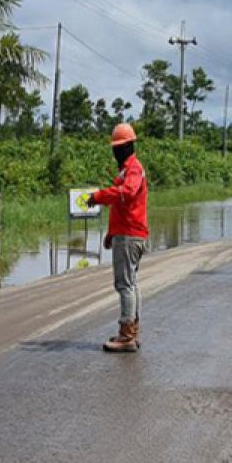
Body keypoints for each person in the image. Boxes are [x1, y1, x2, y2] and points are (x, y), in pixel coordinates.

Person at [84, 123, 149, 353]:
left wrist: (99, 196)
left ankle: (127, 335)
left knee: (125, 285)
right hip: (128, 233)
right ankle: (131, 330)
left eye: (119, 147)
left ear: (128, 146)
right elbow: (122, 206)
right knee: (131, 283)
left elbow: (127, 193)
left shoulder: (133, 170)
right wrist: (112, 234)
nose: (115, 152)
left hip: (130, 236)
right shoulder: (127, 170)